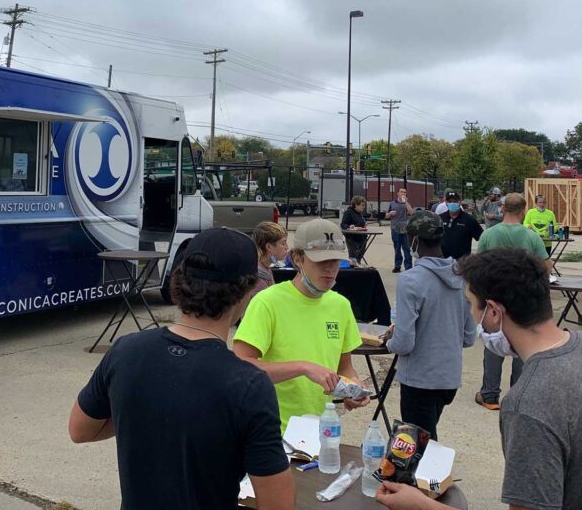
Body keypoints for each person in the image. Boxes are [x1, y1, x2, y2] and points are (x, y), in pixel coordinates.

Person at [377, 248, 582, 510]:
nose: (471, 313)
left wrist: (421, 507)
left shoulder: (528, 401)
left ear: (493, 311)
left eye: (472, 305)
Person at [68, 228, 294, 510]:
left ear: (180, 280)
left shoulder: (125, 351)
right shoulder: (248, 384)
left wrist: (144, 412)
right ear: (246, 292)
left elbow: (80, 430)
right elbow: (278, 504)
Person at [234, 218, 370, 432]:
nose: (330, 269)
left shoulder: (340, 305)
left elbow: (344, 367)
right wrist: (303, 368)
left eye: (335, 261)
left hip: (321, 431)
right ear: (298, 258)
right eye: (320, 261)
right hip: (271, 430)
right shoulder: (267, 302)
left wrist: (353, 387)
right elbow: (240, 367)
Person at [384, 210, 475, 440]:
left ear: (414, 240)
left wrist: (389, 342)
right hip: (448, 377)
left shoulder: (411, 280)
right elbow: (468, 337)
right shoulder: (461, 277)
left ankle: (433, 476)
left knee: (416, 450)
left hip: (419, 379)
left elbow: (404, 343)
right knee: (425, 439)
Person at [472, 192, 551, 411]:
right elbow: (546, 266)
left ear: (502, 208)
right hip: (523, 297)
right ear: (523, 210)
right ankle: (518, 394)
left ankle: (489, 394)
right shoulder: (531, 237)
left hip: (495, 297)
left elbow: (479, 266)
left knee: (493, 344)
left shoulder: (489, 235)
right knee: (521, 344)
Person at [438, 192, 483, 260]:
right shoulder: (440, 218)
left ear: (460, 202)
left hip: (462, 263)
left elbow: (482, 238)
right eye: (450, 201)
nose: (452, 203)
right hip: (442, 261)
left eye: (455, 201)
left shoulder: (469, 220)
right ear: (446, 202)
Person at [252, 221, 288, 297]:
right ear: (269, 247)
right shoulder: (259, 279)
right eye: (283, 243)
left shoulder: (264, 268)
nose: (287, 247)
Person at [386, 188, 414, 273]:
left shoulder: (406, 203)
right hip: (395, 228)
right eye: (401, 192)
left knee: (407, 248)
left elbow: (412, 213)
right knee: (397, 248)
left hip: (405, 229)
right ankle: (397, 266)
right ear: (398, 193)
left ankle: (408, 266)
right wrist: (390, 213)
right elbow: (386, 216)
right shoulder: (392, 203)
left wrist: (406, 202)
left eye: (405, 192)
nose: (403, 193)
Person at [340, 195, 369, 262]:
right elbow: (343, 224)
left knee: (359, 258)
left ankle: (357, 268)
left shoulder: (360, 214)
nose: (364, 207)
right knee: (353, 257)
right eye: (362, 205)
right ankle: (353, 270)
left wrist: (364, 226)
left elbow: (361, 224)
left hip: (362, 238)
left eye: (364, 205)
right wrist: (350, 227)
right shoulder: (349, 213)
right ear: (356, 205)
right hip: (352, 239)